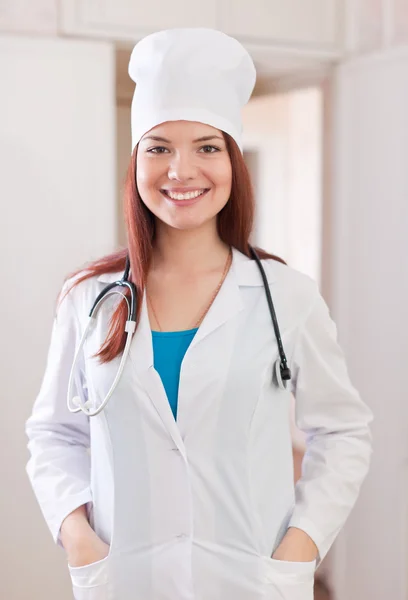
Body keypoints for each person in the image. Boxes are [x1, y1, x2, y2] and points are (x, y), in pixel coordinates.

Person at [25, 28, 373, 600]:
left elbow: (343, 431)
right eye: (159, 147)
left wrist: (301, 547)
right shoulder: (89, 298)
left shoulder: (287, 296)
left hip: (252, 579)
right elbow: (53, 435)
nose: (180, 171)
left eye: (207, 147)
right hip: (125, 581)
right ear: (136, 161)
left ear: (234, 163)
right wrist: (80, 539)